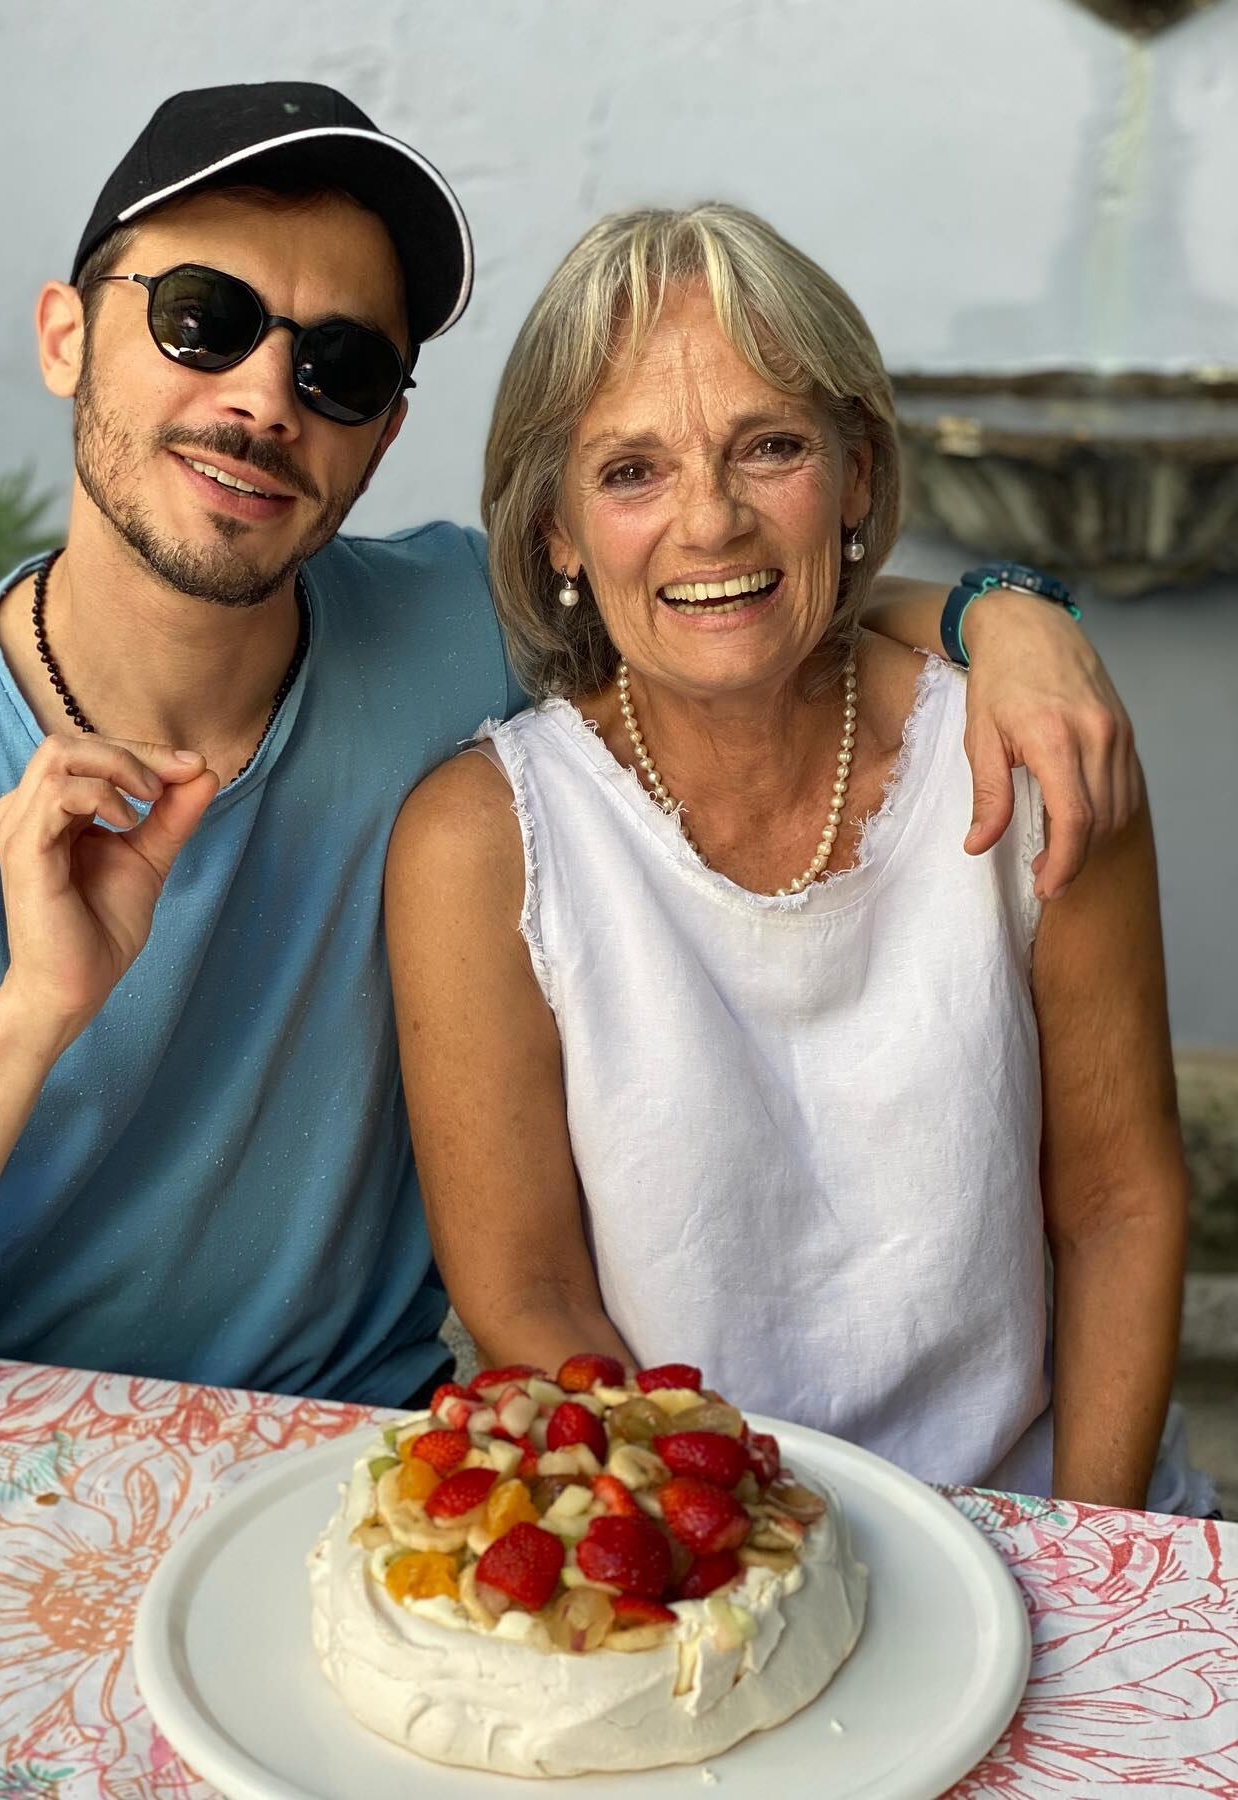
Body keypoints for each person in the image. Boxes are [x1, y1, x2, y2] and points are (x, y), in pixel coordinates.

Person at [0, 86, 1142, 1411]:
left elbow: (726, 593)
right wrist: (33, 1010)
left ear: (382, 433)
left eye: (341, 364)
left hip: (349, 1449)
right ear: (64, 334)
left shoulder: (453, 630)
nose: (266, 397)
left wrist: (1004, 611)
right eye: (199, 322)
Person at [384, 201, 1210, 1513]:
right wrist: (747, 1557)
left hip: (1046, 1508)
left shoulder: (1033, 751)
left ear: (858, 476)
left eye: (769, 447)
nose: (710, 521)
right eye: (631, 472)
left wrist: (1081, 1552)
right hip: (691, 1529)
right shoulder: (483, 842)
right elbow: (527, 1291)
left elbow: (1116, 1203)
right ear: (557, 533)